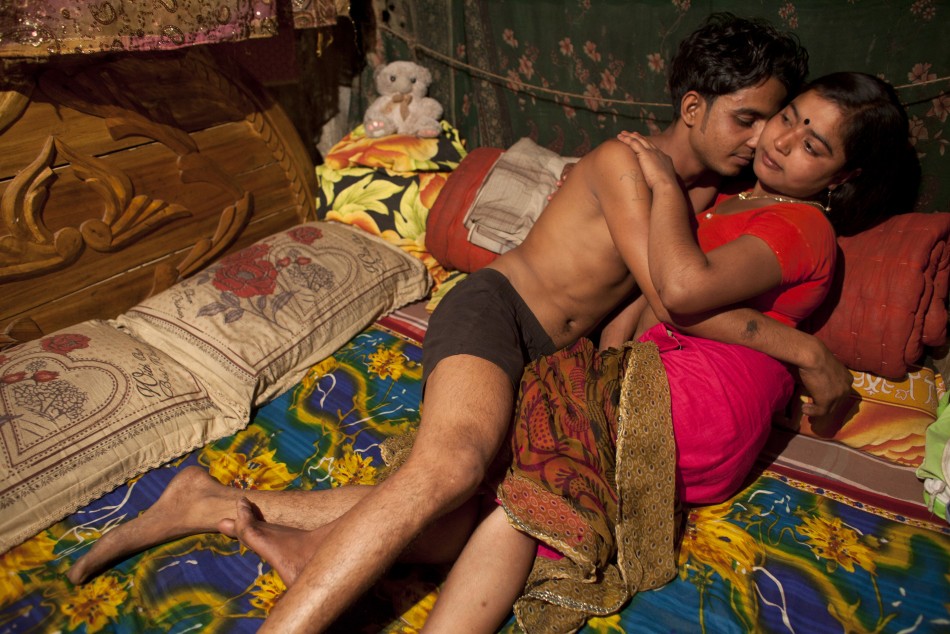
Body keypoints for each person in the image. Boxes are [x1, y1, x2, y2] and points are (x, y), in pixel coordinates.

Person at [66, 13, 848, 632]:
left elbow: (633, 322)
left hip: (549, 360)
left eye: (771, 124)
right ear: (692, 106)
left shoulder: (704, 202)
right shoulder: (626, 162)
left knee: (461, 520)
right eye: (748, 119)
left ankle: (205, 501)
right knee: (452, 469)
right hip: (496, 312)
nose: (759, 141)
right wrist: (805, 351)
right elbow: (678, 295)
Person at [420, 71, 921, 633]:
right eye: (789, 117)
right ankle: (317, 538)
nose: (781, 141)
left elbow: (680, 292)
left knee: (541, 482)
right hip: (661, 378)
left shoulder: (800, 224)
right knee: (484, 474)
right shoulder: (727, 200)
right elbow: (646, 298)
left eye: (812, 145)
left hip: (705, 390)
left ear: (843, 175)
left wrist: (660, 186)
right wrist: (597, 370)